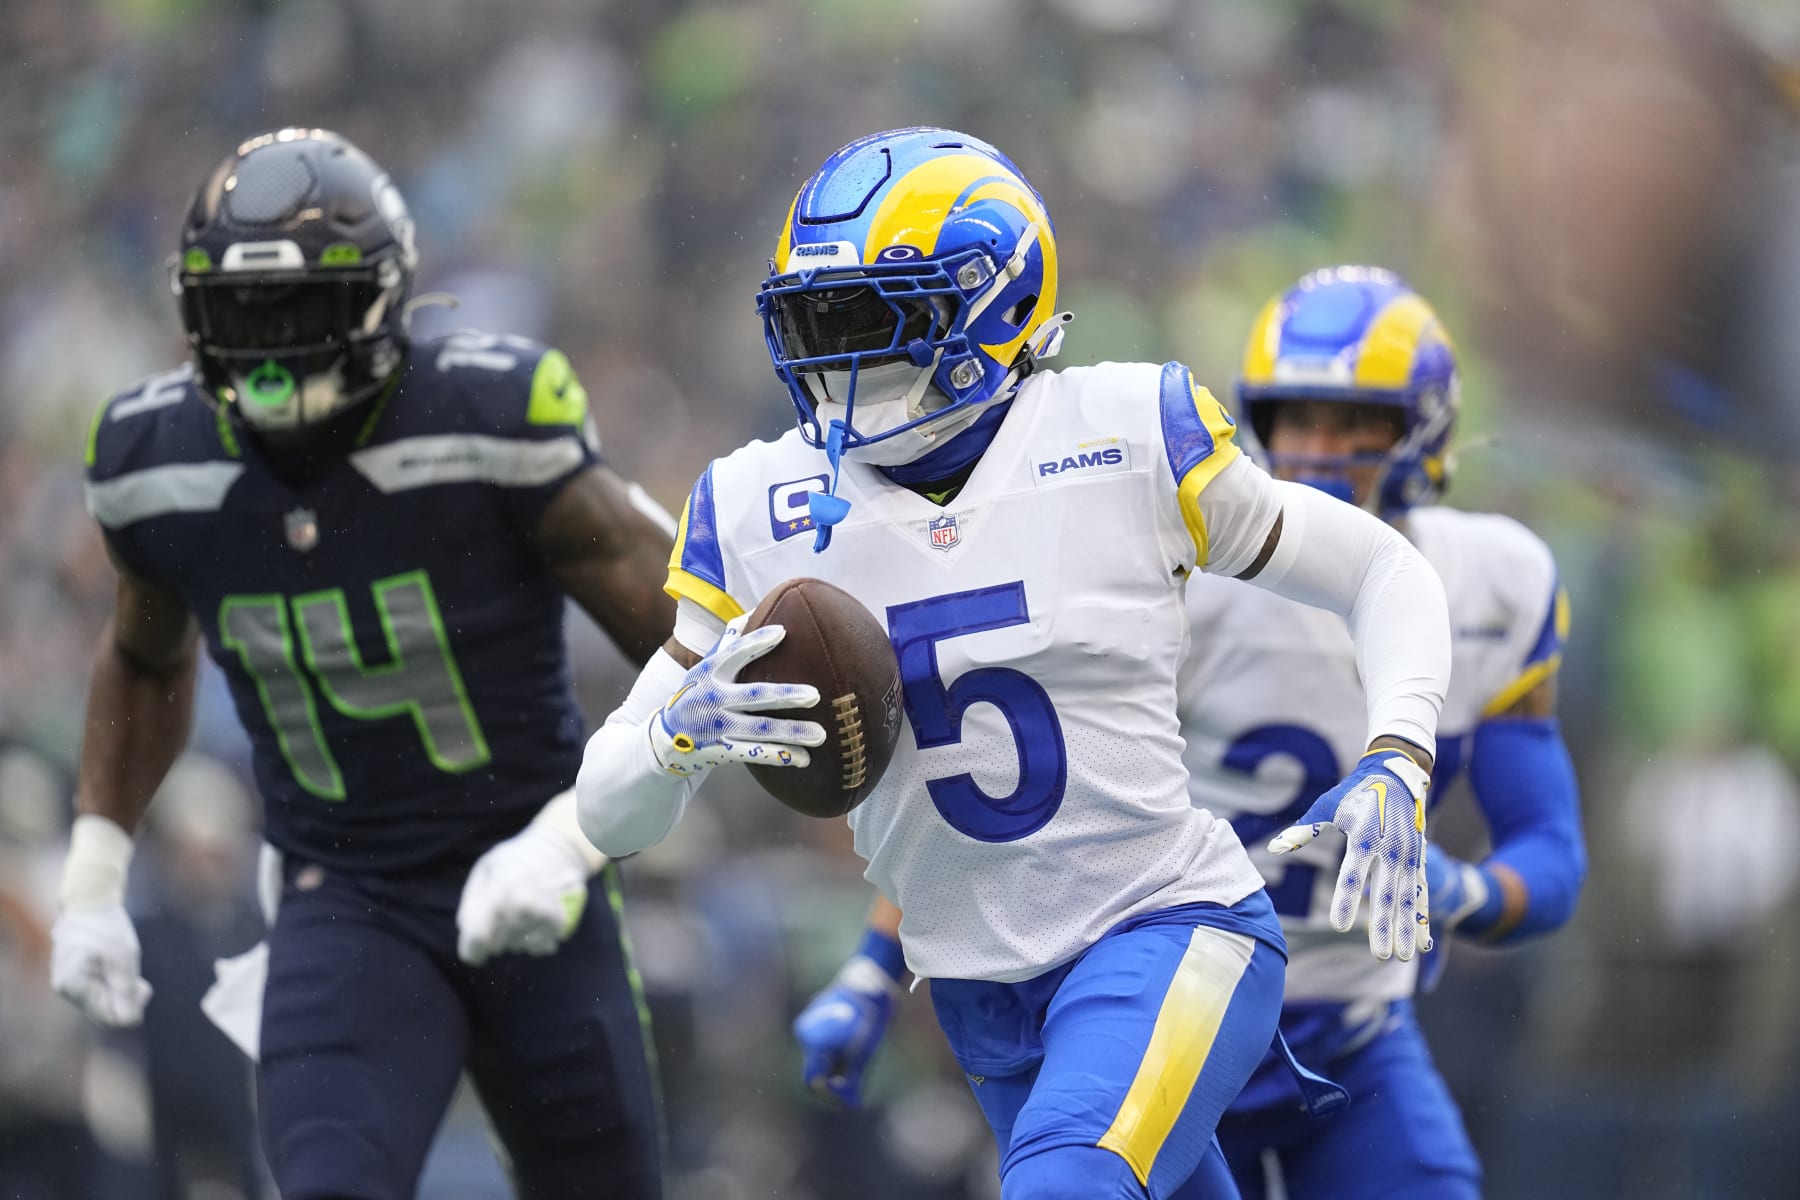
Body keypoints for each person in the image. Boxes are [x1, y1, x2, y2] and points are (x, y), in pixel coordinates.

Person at [576, 128, 1451, 1199]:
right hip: (979, 997)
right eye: (816, 323)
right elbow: (606, 816)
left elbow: (1381, 569)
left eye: (872, 321)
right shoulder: (756, 506)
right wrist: (671, 742)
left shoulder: (1126, 433)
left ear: (988, 310)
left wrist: (1399, 756)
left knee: (1065, 1184)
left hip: (1166, 931)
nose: (837, 362)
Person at [50, 129, 673, 1200]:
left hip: (532, 868)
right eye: (241, 319)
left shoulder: (486, 419)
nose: (271, 351)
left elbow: (695, 647)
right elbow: (147, 661)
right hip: (345, 891)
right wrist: (94, 878)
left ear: (382, 300)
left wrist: (572, 839)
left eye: (300, 312)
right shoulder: (156, 461)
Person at [1186, 267, 1586, 1198]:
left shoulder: (1495, 580)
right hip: (1172, 1023)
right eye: (1298, 420)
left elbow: (1553, 854)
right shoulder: (1186, 579)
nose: (1320, 452)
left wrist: (1460, 891)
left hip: (1358, 1039)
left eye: (1352, 423)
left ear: (1422, 430)